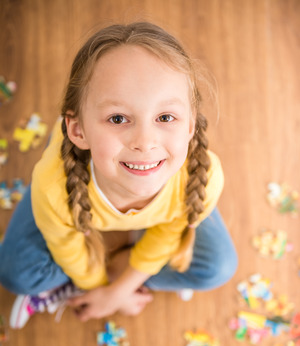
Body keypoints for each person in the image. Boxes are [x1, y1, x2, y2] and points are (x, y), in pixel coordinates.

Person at [0, 22, 238, 328]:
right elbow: (68, 249)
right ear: (78, 130)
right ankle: (113, 266)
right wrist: (99, 286)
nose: (145, 142)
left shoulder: (202, 179)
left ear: (191, 125)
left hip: (173, 198)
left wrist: (120, 288)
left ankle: (122, 261)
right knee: (13, 272)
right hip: (70, 180)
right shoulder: (54, 186)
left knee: (218, 268)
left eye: (165, 117)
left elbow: (170, 234)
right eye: (118, 118)